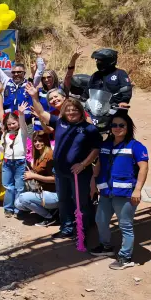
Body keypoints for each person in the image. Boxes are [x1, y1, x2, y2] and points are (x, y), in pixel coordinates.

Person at [27, 82, 101, 239]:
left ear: (80, 112)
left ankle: (83, 228)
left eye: (74, 110)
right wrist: (34, 97)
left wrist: (83, 164)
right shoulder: (60, 123)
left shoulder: (89, 129)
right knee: (64, 201)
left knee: (81, 202)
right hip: (60, 171)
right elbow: (41, 112)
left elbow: (96, 149)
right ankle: (66, 228)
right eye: (68, 110)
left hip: (78, 173)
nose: (71, 112)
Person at [89, 111, 149, 269]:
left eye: (121, 125)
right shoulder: (105, 145)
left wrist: (137, 190)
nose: (117, 128)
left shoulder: (136, 146)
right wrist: (93, 183)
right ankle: (106, 246)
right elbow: (99, 166)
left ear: (128, 127)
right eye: (114, 125)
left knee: (125, 225)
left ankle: (125, 257)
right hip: (106, 192)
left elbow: (143, 168)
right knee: (100, 220)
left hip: (125, 195)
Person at [16, 130, 59, 226]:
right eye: (35, 141)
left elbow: (56, 179)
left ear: (45, 141)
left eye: (40, 141)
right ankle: (48, 210)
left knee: (23, 198)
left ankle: (50, 217)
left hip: (54, 194)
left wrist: (34, 175)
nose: (37, 143)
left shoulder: (50, 155)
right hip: (42, 192)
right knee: (18, 203)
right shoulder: (38, 154)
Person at [0, 41, 44, 116]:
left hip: (26, 122)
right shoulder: (7, 81)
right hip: (9, 121)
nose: (16, 74)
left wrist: (39, 55)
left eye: (19, 72)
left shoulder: (30, 84)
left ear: (24, 73)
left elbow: (40, 72)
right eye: (14, 72)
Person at [2, 103, 30, 218]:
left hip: (20, 162)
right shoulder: (5, 134)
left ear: (18, 122)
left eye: (14, 123)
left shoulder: (22, 133)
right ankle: (8, 208)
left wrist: (21, 114)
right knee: (8, 186)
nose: (12, 126)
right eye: (9, 124)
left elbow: (23, 125)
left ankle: (19, 209)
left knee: (20, 187)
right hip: (7, 162)